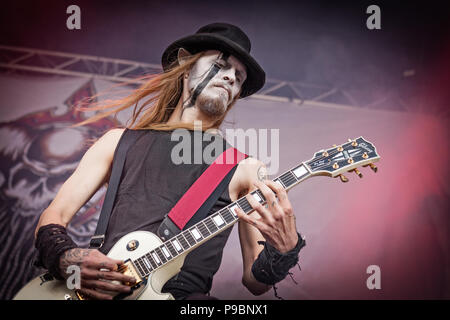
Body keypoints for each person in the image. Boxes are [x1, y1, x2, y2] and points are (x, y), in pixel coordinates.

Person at [34, 22, 306, 300]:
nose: (231, 78)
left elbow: (254, 282)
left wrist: (283, 250)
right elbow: (54, 215)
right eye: (221, 65)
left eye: (239, 76)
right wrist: (68, 259)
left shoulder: (246, 169)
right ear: (186, 65)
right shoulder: (118, 142)